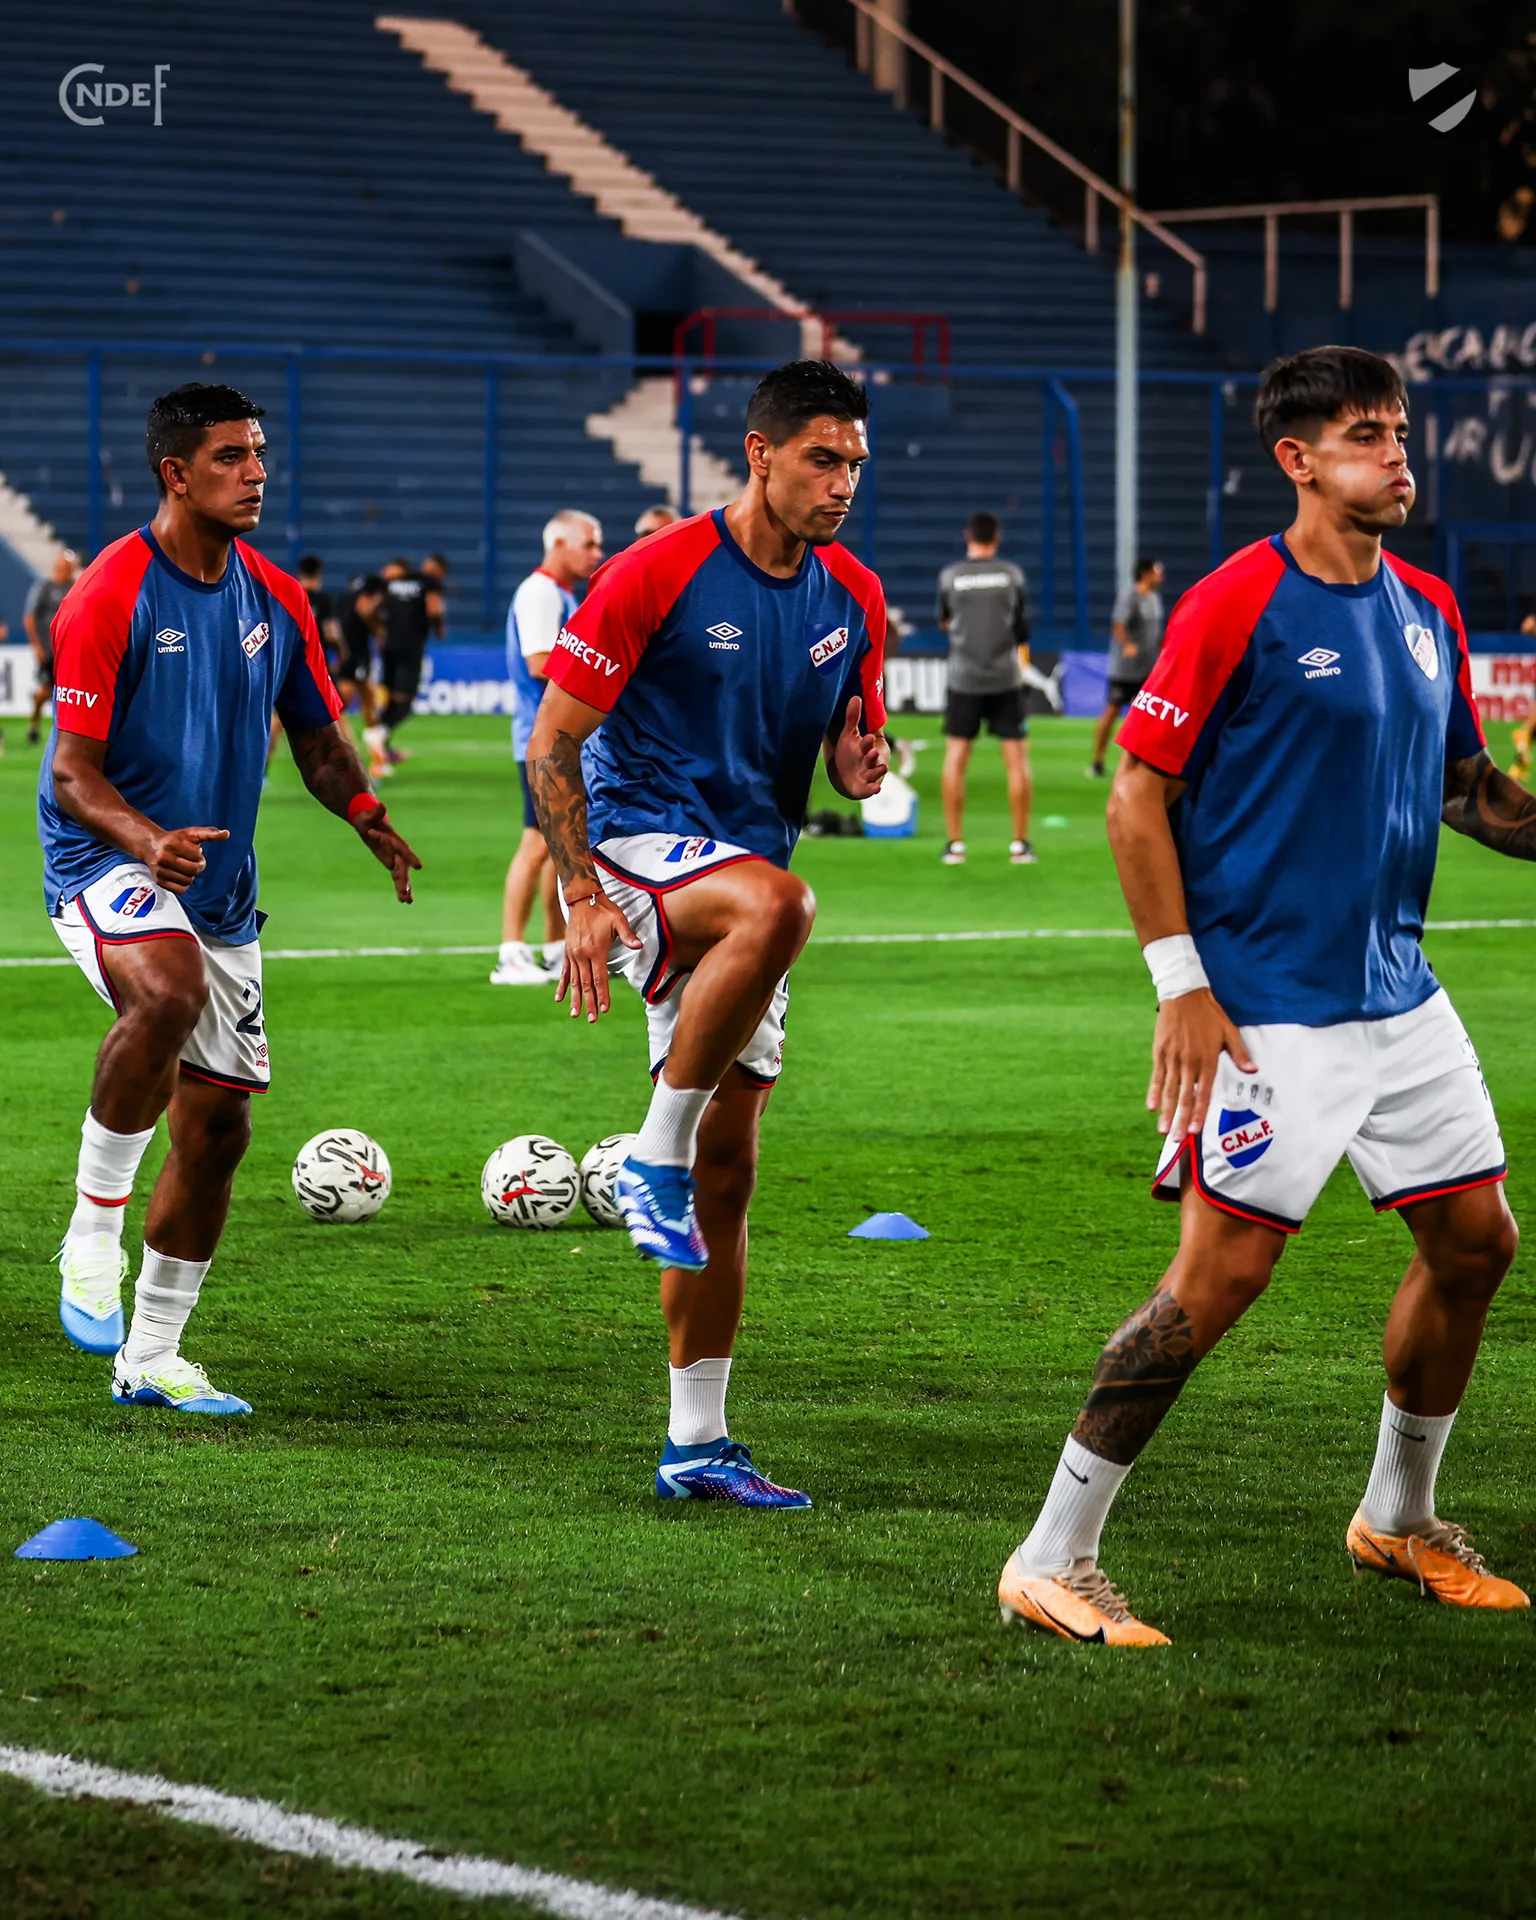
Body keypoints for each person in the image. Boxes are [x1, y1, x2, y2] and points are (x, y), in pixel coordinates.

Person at [999, 344, 1533, 1648]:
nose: (1396, 455)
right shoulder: (1236, 602)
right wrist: (1181, 984)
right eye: (1365, 436)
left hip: (1398, 994)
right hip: (1268, 1004)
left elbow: (1464, 787)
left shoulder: (1427, 607)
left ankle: (1398, 1519)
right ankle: (1050, 1557)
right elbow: (1138, 793)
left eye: (1398, 432)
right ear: (1296, 460)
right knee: (1218, 1278)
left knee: (1476, 1243)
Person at [527, 358, 889, 1508]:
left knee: (726, 1175)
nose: (842, 484)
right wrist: (581, 898)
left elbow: (852, 743)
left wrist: (860, 764)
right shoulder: (654, 571)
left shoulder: (855, 596)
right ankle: (649, 1152)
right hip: (640, 845)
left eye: (856, 464)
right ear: (760, 454)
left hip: (741, 862)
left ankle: (696, 1443)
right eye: (822, 460)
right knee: (784, 907)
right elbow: (553, 740)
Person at [42, 383, 420, 1415]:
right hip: (104, 857)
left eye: (258, 454)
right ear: (175, 473)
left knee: (217, 1133)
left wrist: (367, 813)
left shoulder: (277, 597)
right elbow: (70, 774)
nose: (256, 474)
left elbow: (318, 739)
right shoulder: (111, 591)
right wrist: (146, 840)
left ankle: (152, 1354)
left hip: (218, 885)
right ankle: (93, 1231)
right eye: (230, 457)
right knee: (165, 991)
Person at [490, 510, 604, 986]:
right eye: (588, 544)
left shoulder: (559, 593)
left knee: (558, 845)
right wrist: (604, 673)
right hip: (543, 740)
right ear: (558, 544)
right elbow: (540, 662)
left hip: (554, 739)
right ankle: (510, 952)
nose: (597, 554)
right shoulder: (540, 593)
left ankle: (555, 948)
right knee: (538, 843)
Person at [935, 512, 1035, 866]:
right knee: (1016, 760)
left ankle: (955, 845)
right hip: (1005, 677)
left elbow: (944, 621)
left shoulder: (950, 576)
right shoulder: (1012, 575)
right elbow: (1021, 628)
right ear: (997, 538)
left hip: (964, 678)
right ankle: (1020, 844)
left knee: (956, 757)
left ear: (969, 536)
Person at [1087, 556, 1167, 779]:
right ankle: (1097, 760)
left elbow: (1155, 632)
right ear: (1145, 573)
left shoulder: (1154, 599)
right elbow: (1118, 624)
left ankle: (1143, 762)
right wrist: (1127, 645)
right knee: (1112, 711)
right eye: (1157, 571)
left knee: (1147, 716)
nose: (1161, 576)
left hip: (1148, 669)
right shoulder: (1130, 597)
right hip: (1125, 669)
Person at [367, 552, 447, 770]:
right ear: (438, 570)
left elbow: (371, 609)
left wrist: (379, 631)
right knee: (405, 702)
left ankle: (383, 747)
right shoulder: (429, 583)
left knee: (391, 699)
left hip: (388, 648)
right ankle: (378, 736)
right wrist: (439, 628)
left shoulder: (393, 582)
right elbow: (434, 608)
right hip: (410, 647)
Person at [25, 548, 80, 747]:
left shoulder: (75, 587)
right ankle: (34, 724)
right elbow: (30, 617)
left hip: (67, 650)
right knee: (46, 690)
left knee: (70, 691)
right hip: (48, 650)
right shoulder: (45, 587)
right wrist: (37, 645)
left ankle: (68, 732)